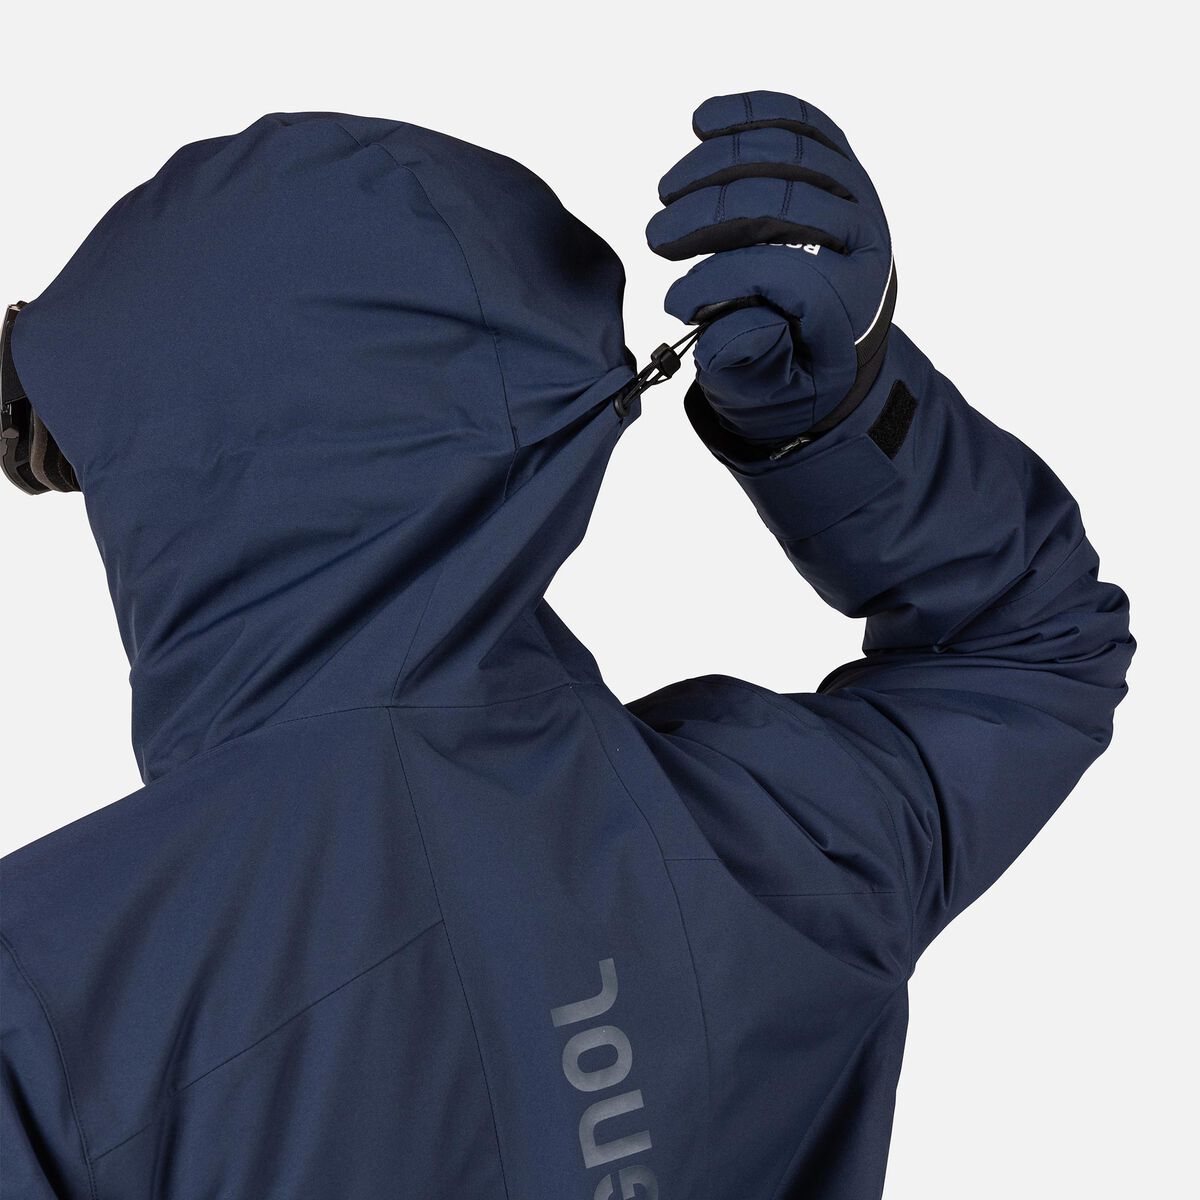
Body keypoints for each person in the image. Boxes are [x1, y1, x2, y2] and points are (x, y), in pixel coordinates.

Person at [0, 93, 1132, 1199]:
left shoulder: (55, 992)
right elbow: (1035, 654)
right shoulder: (774, 851)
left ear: (185, 475)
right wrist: (846, 420)